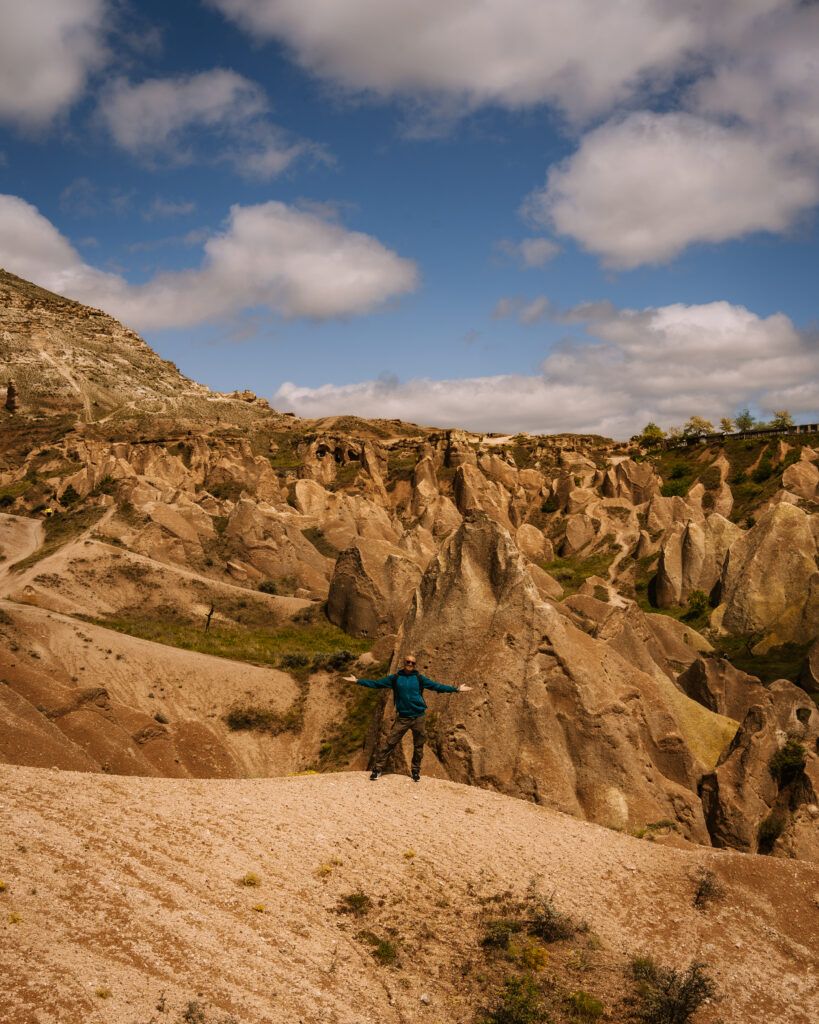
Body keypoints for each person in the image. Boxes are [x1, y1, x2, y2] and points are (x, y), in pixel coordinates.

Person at [343, 654, 471, 782]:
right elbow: (377, 684)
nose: (410, 664)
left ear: (415, 665)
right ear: (404, 663)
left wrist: (456, 689)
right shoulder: (395, 678)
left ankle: (415, 772)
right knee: (389, 743)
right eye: (408, 662)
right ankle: (377, 769)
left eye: (412, 663)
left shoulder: (419, 678)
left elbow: (437, 686)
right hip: (403, 718)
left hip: (419, 717)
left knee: (418, 746)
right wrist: (358, 681)